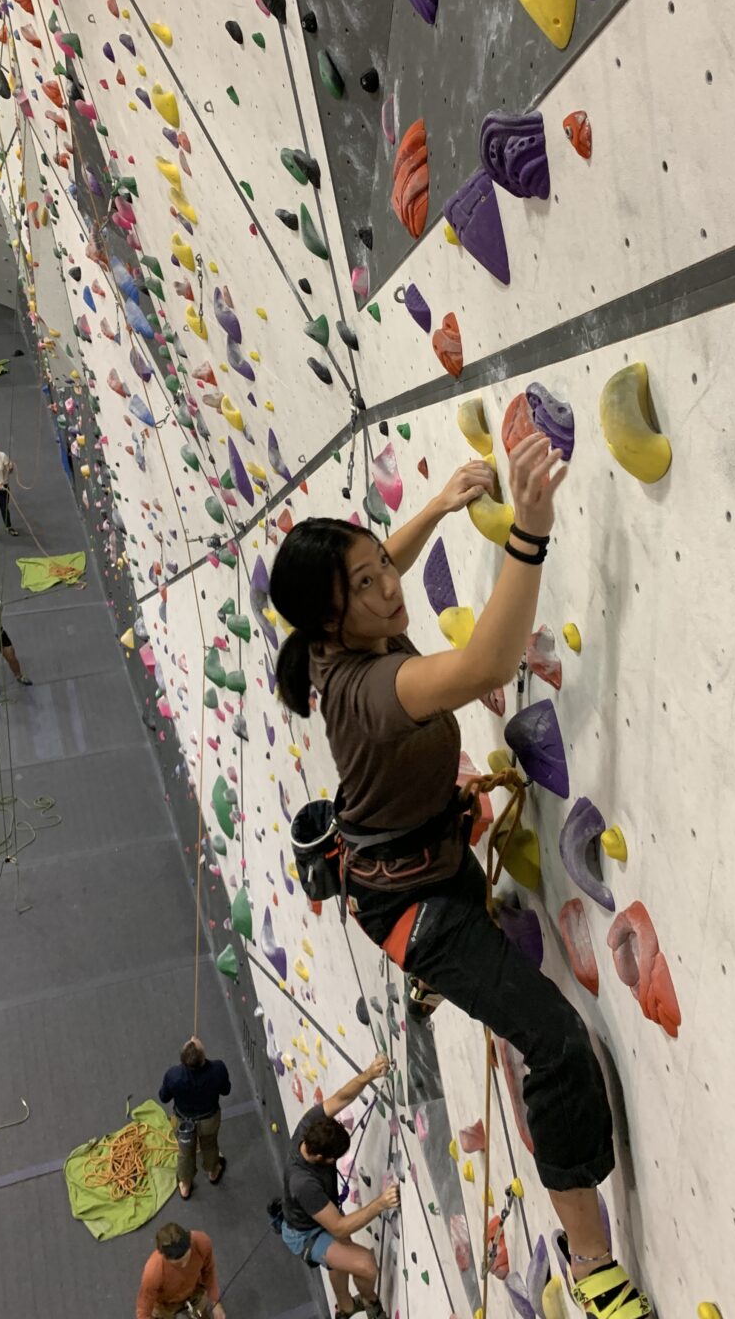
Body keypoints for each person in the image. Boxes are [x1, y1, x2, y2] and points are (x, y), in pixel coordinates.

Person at [269, 434, 652, 1319]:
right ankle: (591, 1264)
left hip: (409, 857)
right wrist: (530, 533)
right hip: (416, 907)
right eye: (363, 587)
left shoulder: (329, 636)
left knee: (544, 1029)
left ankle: (585, 1251)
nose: (387, 589)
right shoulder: (369, 688)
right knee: (555, 1041)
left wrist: (438, 507)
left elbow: (375, 570)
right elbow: (484, 666)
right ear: (332, 620)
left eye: (376, 567)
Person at [279, 1053, 398, 1319]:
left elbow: (342, 1098)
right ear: (320, 1158)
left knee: (340, 1261)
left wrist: (369, 1073)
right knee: (366, 1265)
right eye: (335, 1159)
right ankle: (369, 1302)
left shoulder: (311, 1126)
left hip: (317, 1214)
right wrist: (381, 1202)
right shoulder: (304, 1182)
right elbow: (338, 1227)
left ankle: (344, 1308)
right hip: (306, 1234)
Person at [158, 1036, 231, 1200]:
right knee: (210, 1145)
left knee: (184, 1152)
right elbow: (226, 1090)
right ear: (203, 1058)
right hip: (209, 1120)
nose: (192, 1040)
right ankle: (213, 1171)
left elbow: (163, 1097)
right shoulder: (218, 1069)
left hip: (182, 1121)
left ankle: (185, 1185)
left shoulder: (173, 1075)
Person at [135, 1223, 225, 1319]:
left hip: (194, 1292)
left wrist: (216, 1302)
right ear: (164, 1256)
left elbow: (208, 1272)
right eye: (177, 1263)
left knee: (202, 1315)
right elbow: (143, 1309)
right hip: (166, 1305)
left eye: (187, 1257)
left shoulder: (202, 1243)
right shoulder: (153, 1272)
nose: (184, 1264)